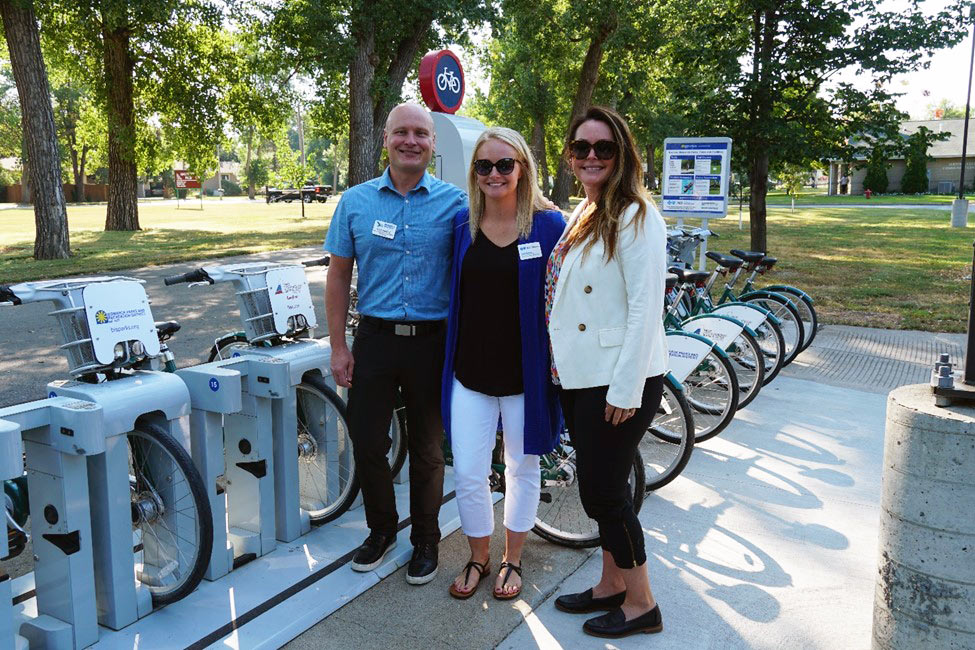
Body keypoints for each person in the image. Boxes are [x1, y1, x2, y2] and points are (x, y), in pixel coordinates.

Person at [324, 103, 466, 585]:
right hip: (375, 342)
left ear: (432, 143)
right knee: (367, 442)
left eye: (420, 134)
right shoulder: (356, 202)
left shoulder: (456, 205)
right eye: (401, 132)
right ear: (385, 139)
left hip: (433, 344)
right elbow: (339, 274)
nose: (411, 141)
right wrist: (338, 346)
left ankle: (426, 538)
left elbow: (508, 217)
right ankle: (381, 530)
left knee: (428, 448)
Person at [546, 106, 668, 638]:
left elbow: (646, 310)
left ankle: (642, 604)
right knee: (604, 486)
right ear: (571, 157)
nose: (591, 156)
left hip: (618, 381)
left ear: (624, 154)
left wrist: (625, 388)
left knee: (603, 493)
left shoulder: (639, 215)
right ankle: (610, 584)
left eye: (604, 148)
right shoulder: (587, 210)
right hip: (581, 377)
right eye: (581, 148)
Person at [440, 128, 564, 601]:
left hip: (524, 378)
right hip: (469, 374)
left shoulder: (549, 225)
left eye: (504, 165)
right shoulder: (461, 225)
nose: (494, 174)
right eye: (484, 166)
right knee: (468, 471)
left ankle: (512, 558)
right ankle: (478, 556)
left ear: (523, 168)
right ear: (474, 173)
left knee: (522, 467)